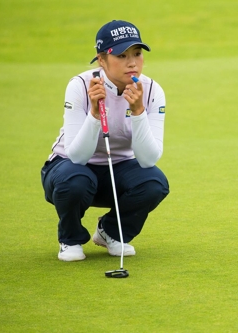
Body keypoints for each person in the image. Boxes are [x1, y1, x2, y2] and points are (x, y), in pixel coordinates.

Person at [41, 20, 169, 261]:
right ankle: (69, 239)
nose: (132, 62)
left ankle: (111, 231)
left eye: (137, 54)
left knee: (155, 183)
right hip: (67, 170)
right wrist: (95, 114)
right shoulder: (80, 85)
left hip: (118, 171)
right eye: (121, 55)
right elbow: (77, 156)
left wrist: (139, 111)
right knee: (76, 179)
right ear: (101, 60)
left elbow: (149, 159)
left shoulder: (152, 91)